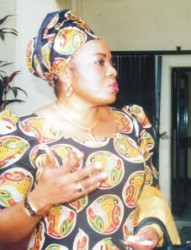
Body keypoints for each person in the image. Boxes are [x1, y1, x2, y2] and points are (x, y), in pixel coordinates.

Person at [0, 9, 179, 250]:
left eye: (111, 62)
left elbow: (148, 193)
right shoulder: (23, 135)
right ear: (64, 73)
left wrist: (151, 228)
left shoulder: (132, 124)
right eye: (99, 62)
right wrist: (40, 199)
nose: (112, 70)